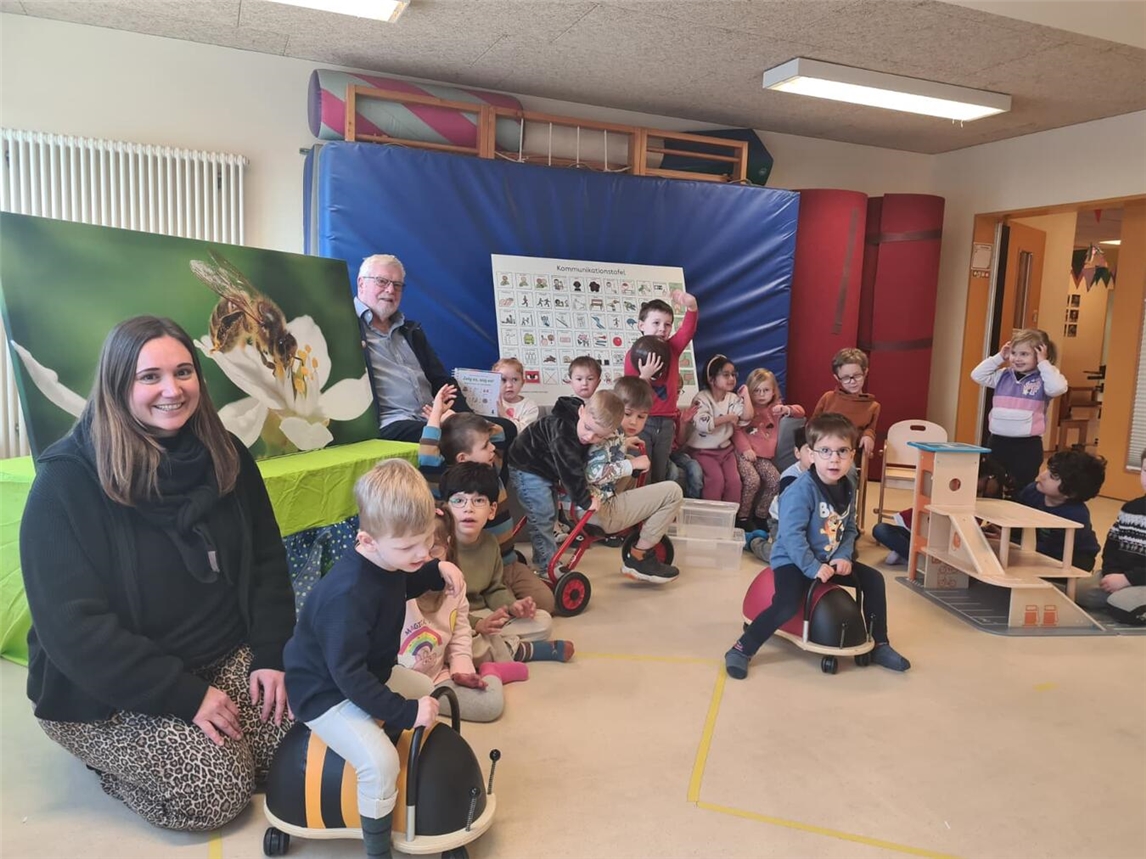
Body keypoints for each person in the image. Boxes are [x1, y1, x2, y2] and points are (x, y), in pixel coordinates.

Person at [20, 316, 296, 831]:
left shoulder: (227, 455)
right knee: (216, 793)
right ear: (117, 384)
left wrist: (273, 653)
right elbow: (73, 630)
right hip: (107, 688)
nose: (172, 390)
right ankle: (105, 762)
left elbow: (265, 560)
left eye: (184, 372)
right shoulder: (65, 484)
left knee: (299, 742)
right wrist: (185, 696)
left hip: (219, 653)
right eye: (150, 377)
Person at [283, 459, 459, 859]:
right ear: (366, 540)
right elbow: (349, 678)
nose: (419, 553)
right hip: (324, 693)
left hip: (364, 672)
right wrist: (402, 712)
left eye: (427, 542)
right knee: (379, 763)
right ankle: (377, 851)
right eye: (407, 547)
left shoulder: (387, 560)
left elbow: (400, 580)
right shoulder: (346, 596)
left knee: (427, 688)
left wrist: (437, 568)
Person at [724, 413, 911, 679]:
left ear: (852, 455)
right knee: (787, 603)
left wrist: (844, 555)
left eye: (842, 451)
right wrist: (812, 567)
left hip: (828, 557)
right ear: (811, 455)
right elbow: (791, 536)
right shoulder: (801, 490)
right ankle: (742, 649)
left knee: (874, 580)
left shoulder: (847, 486)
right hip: (793, 558)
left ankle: (880, 644)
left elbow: (848, 527)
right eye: (825, 451)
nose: (834, 459)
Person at [417, 386, 556, 613]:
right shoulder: (447, 482)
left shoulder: (493, 467)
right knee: (483, 607)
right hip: (475, 567)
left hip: (507, 562)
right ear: (462, 458)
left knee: (545, 604)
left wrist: (454, 417)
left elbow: (499, 431)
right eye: (484, 446)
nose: (492, 447)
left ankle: (506, 605)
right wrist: (436, 415)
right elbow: (427, 454)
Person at [354, 253, 517, 446]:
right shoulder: (346, 327)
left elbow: (442, 381)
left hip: (436, 416)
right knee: (458, 436)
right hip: (392, 423)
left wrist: (462, 417)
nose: (390, 290)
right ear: (361, 283)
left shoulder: (411, 331)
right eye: (382, 281)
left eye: (397, 285)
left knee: (508, 428)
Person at [439, 463, 572, 663]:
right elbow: (440, 607)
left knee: (543, 621)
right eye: (458, 500)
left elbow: (494, 589)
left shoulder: (490, 543)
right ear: (446, 508)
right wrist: (477, 624)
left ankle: (499, 649)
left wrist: (513, 606)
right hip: (453, 620)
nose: (468, 508)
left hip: (482, 614)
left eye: (479, 501)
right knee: (447, 641)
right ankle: (520, 651)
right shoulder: (439, 547)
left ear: (492, 510)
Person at [397, 512, 508, 723]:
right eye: (414, 548)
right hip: (400, 684)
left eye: (434, 549)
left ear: (448, 546)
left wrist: (462, 671)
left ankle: (491, 669)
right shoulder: (398, 586)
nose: (425, 558)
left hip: (438, 679)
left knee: (489, 705)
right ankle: (502, 656)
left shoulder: (455, 584)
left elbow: (460, 634)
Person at [580, 376, 684, 584]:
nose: (634, 422)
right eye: (627, 414)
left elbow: (603, 454)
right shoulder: (604, 436)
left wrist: (624, 444)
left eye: (642, 416)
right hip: (598, 509)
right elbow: (594, 472)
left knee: (628, 459)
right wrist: (631, 465)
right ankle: (640, 557)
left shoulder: (607, 433)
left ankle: (636, 537)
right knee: (673, 491)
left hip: (587, 507)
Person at [508, 390, 624, 577]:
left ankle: (541, 557)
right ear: (581, 411)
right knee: (542, 513)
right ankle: (547, 565)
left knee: (549, 513)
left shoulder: (582, 428)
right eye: (587, 428)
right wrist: (585, 500)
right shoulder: (563, 433)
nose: (589, 438)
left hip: (544, 469)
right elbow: (571, 471)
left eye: (598, 436)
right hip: (526, 466)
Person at [970, 328, 1068, 493]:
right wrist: (999, 357)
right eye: (1014, 353)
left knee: (1020, 488)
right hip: (997, 442)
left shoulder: (1044, 379)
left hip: (1026, 446)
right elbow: (977, 375)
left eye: (1024, 354)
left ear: (1040, 355)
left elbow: (1058, 388)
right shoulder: (1003, 375)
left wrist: (1044, 364)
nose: (1017, 358)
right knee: (992, 487)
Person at [872, 455, 1007, 565]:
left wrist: (982, 533)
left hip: (944, 541)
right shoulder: (956, 487)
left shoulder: (981, 502)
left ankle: (912, 556)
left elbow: (965, 531)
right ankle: (914, 556)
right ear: (990, 477)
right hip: (922, 531)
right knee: (881, 529)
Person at [624, 291, 699, 484]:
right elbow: (631, 396)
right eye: (656, 323)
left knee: (661, 471)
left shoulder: (672, 349)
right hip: (643, 422)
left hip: (666, 423)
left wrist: (692, 306)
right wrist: (645, 376)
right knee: (643, 470)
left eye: (667, 325)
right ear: (641, 325)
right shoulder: (633, 355)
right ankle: (642, 511)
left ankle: (658, 508)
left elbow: (687, 331)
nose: (662, 329)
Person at [733, 368, 805, 529]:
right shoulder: (744, 408)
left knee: (775, 480)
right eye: (756, 391)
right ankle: (743, 518)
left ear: (773, 391)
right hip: (743, 454)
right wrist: (745, 449)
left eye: (766, 390)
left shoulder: (775, 408)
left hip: (763, 457)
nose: (761, 394)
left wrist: (786, 409)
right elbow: (736, 430)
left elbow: (801, 412)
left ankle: (761, 515)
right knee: (753, 480)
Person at [1076, 448, 1146, 611]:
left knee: (1123, 603)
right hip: (1121, 576)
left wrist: (1128, 579)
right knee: (1079, 590)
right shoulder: (1130, 508)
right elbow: (1112, 547)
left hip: (1136, 579)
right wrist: (1111, 574)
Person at [1013, 449, 1106, 571]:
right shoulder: (1033, 491)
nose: (1042, 475)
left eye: (1053, 476)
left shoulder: (1075, 515)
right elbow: (1015, 515)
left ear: (1071, 492)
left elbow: (1055, 549)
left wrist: (1014, 543)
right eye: (1048, 469)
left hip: (1073, 557)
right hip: (1038, 544)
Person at [687, 355, 748, 514]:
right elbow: (703, 424)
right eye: (726, 374)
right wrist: (728, 418)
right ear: (712, 379)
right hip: (703, 452)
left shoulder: (733, 398)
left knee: (734, 482)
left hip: (726, 451)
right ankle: (710, 518)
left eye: (733, 374)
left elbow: (745, 417)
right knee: (716, 480)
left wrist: (746, 395)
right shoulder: (701, 398)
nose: (731, 378)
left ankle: (730, 519)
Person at [744, 425, 814, 564]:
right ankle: (754, 541)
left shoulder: (828, 474)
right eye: (809, 450)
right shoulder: (790, 478)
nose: (815, 456)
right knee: (785, 558)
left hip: (813, 524)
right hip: (783, 522)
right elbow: (790, 517)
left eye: (822, 450)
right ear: (797, 453)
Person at [812, 348, 880, 467]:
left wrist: (868, 435)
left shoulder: (873, 406)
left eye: (857, 376)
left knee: (846, 471)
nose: (852, 381)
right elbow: (812, 425)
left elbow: (870, 429)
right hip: (823, 452)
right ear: (837, 377)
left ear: (865, 372)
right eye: (846, 377)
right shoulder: (828, 398)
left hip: (847, 455)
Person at [493, 357, 539, 432]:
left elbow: (525, 432)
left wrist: (504, 416)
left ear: (522, 383)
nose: (509, 385)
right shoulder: (492, 402)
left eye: (515, 380)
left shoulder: (529, 405)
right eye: (503, 380)